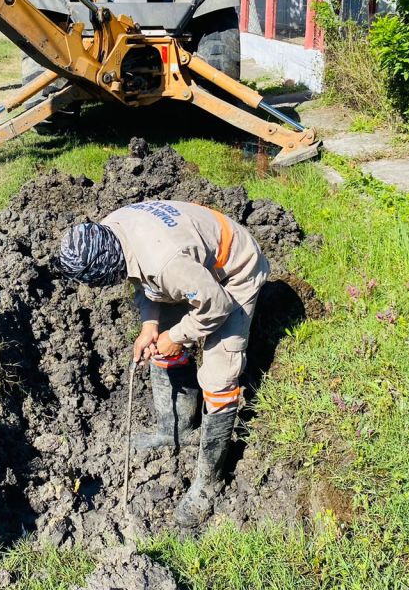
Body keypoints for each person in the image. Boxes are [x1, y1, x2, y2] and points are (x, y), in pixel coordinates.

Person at [55, 200, 269, 527]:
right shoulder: (111, 231)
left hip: (232, 271)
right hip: (190, 266)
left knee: (218, 376)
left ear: (109, 263)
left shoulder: (165, 263)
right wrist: (150, 326)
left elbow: (216, 306)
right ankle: (176, 430)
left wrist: (178, 334)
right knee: (160, 347)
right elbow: (143, 283)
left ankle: (208, 484)